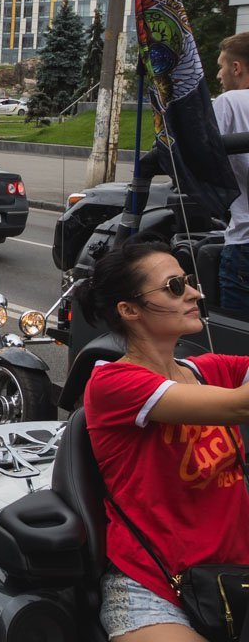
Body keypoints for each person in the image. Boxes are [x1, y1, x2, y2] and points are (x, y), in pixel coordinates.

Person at [76, 241, 249, 641]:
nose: (195, 293)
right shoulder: (113, 383)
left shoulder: (207, 370)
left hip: (231, 578)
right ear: (130, 310)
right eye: (174, 286)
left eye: (188, 282)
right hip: (153, 592)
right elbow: (240, 407)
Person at [215, 32, 249, 314]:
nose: (218, 74)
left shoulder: (230, 102)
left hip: (245, 243)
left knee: (236, 351)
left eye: (221, 66)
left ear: (236, 68)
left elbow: (200, 156)